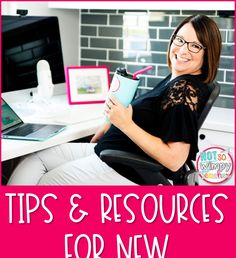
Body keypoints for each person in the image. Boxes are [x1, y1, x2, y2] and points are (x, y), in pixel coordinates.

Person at [8, 14, 222, 185]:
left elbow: (175, 161)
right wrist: (110, 125)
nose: (183, 50)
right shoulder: (176, 78)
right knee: (34, 160)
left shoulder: (184, 90)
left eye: (195, 46)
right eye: (180, 40)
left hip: (123, 166)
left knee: (46, 183)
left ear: (207, 53)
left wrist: (125, 124)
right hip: (109, 151)